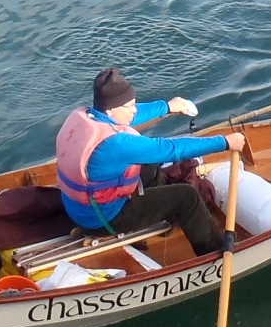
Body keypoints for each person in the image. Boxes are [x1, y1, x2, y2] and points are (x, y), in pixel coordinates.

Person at [55, 67, 246, 255]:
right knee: (187, 197)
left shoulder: (86, 117)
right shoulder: (116, 143)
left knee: (148, 160)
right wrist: (225, 142)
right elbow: (170, 149)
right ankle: (214, 250)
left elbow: (133, 116)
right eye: (129, 107)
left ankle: (164, 217)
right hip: (104, 219)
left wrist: (168, 106)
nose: (133, 111)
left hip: (81, 208)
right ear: (111, 110)